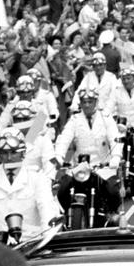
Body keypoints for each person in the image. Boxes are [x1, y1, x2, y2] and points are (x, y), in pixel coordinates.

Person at [0, 127, 61, 240]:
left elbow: (47, 211)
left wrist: (47, 241)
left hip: (31, 242)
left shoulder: (37, 177)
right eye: (4, 153)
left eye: (13, 152)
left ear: (23, 153)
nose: (9, 158)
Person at [54, 88, 122, 222]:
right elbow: (64, 139)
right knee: (62, 189)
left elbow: (115, 138)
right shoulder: (74, 119)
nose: (86, 105)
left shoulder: (106, 118)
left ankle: (112, 213)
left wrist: (116, 157)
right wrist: (59, 156)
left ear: (95, 102)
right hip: (80, 167)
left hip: (102, 166)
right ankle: (66, 216)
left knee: (113, 191)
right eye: (83, 102)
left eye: (90, 102)